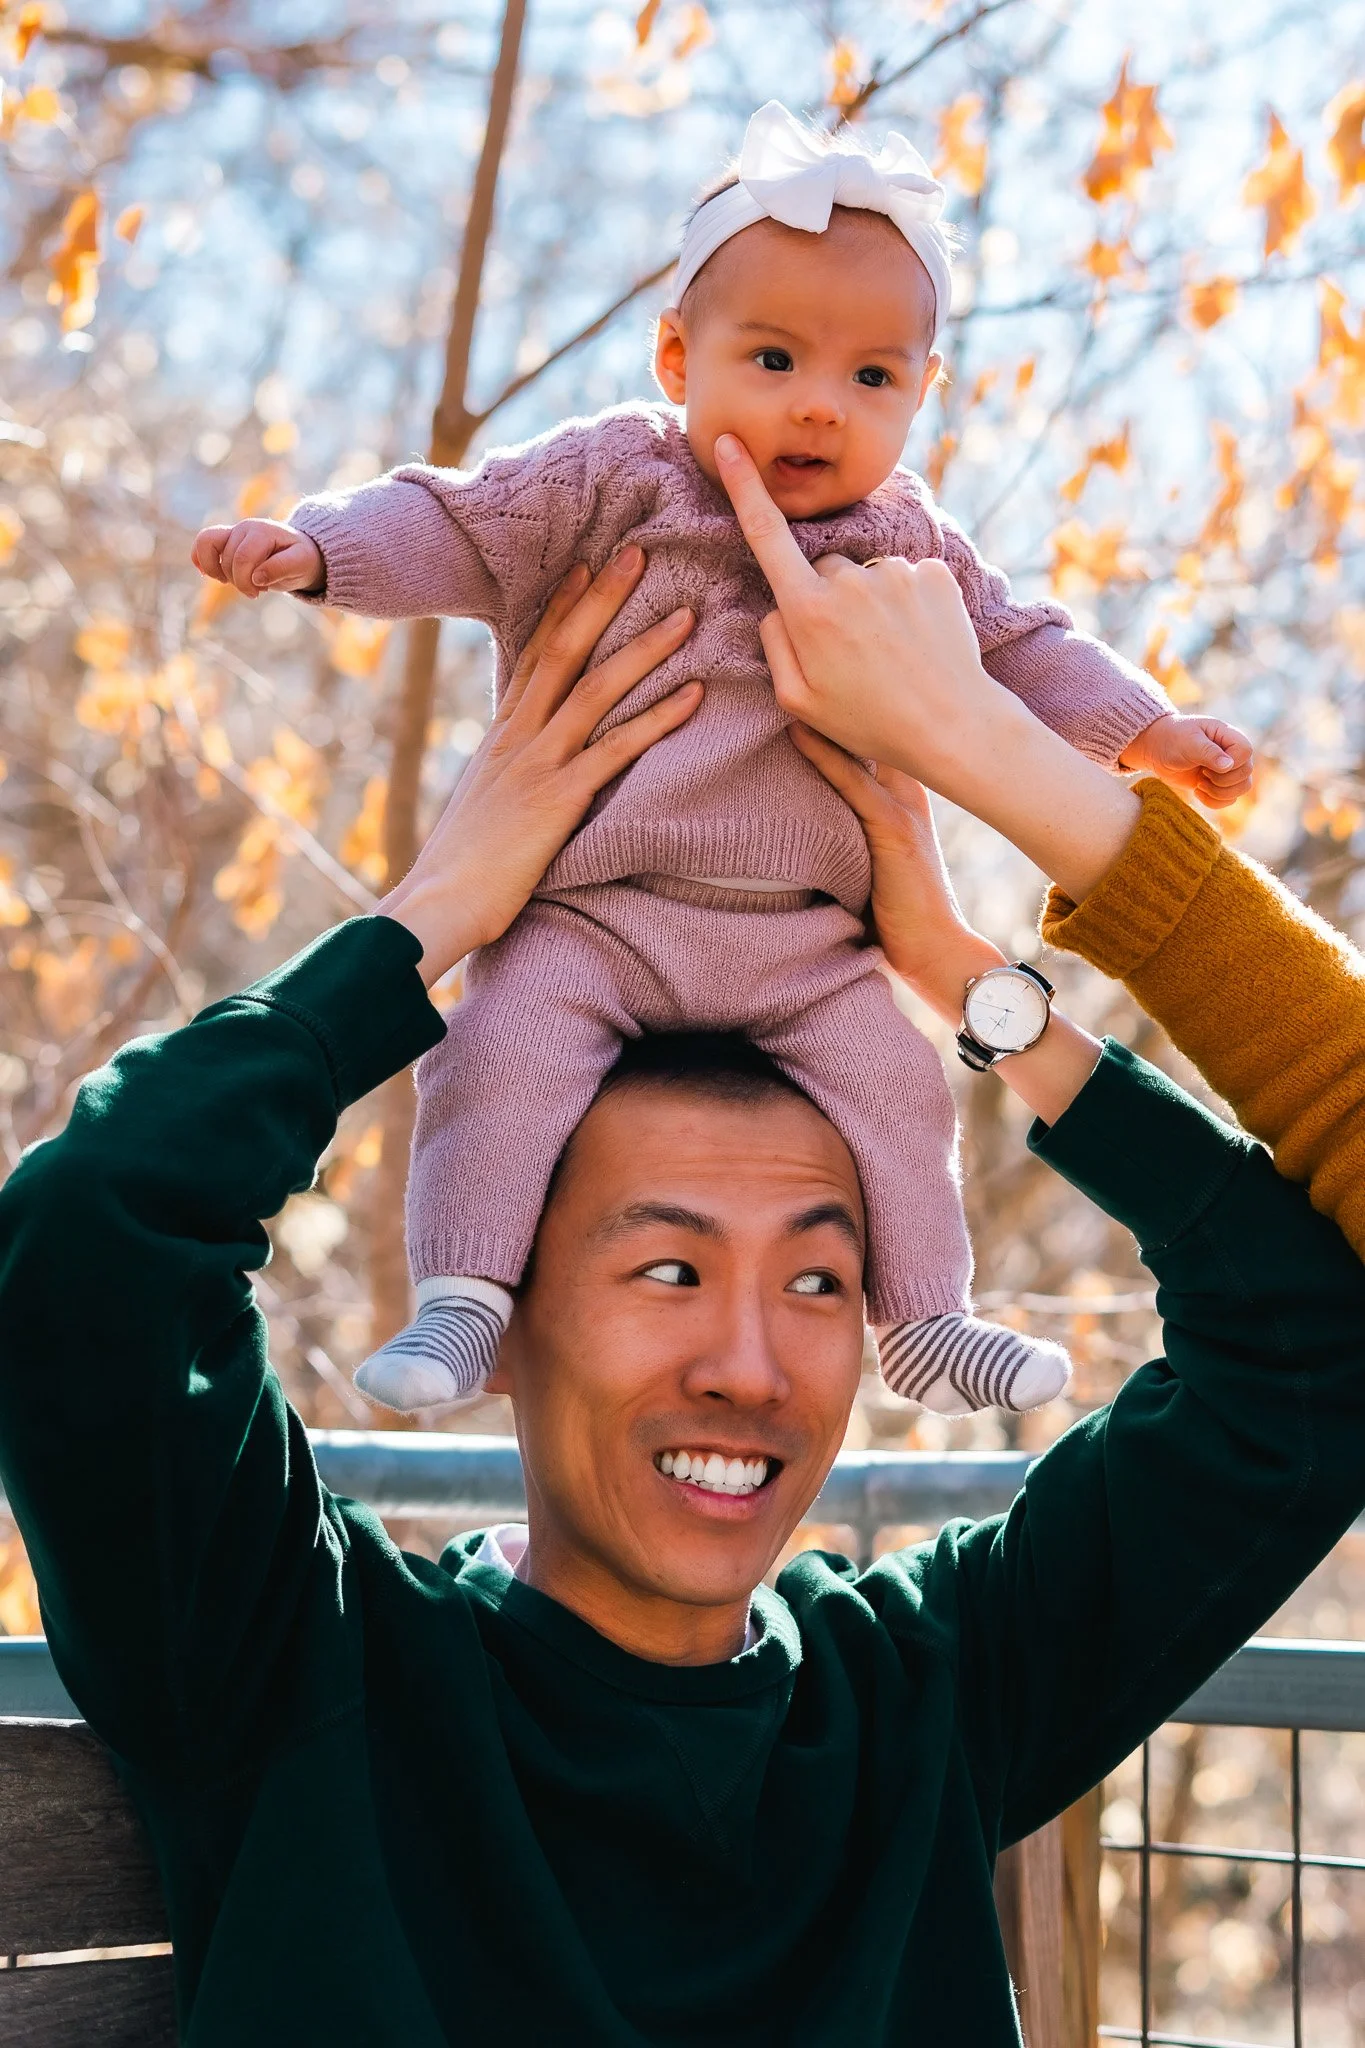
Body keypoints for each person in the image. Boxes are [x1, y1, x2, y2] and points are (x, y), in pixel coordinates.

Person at [0, 465, 1362, 2047]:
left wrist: (982, 992)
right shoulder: (301, 1663)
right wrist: (433, 917)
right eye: (666, 1273)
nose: (750, 1363)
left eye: (819, 1281)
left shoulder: (932, 1690)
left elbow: (1316, 1355)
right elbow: (79, 1251)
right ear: (500, 1308)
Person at [190, 101, 1254, 1424]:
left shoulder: (907, 540)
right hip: (592, 915)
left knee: (898, 1082)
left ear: (922, 391)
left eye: (874, 378)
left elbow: (1028, 646)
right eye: (774, 358)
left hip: (811, 944)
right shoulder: (613, 478)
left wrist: (1145, 730)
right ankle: (469, 1296)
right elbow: (454, 523)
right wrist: (321, 553)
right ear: (678, 355)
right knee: (497, 1051)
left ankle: (924, 1318)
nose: (822, 404)